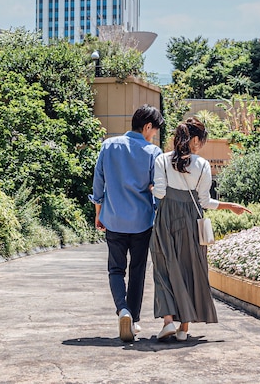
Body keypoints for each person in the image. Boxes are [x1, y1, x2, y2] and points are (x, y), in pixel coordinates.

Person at [150, 117, 250, 341]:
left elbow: (159, 193)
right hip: (191, 220)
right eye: (202, 140)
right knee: (190, 270)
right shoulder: (202, 165)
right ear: (195, 140)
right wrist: (229, 206)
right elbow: (204, 201)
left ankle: (168, 321)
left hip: (166, 218)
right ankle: (184, 328)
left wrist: (150, 188)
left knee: (163, 267)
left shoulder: (162, 160)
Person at [89, 104, 164, 342]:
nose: (154, 136)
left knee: (115, 269)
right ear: (147, 126)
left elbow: (98, 182)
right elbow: (157, 189)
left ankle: (122, 310)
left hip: (114, 219)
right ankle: (134, 318)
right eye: (154, 131)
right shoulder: (153, 153)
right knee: (138, 270)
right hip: (142, 221)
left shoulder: (109, 146)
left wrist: (98, 211)